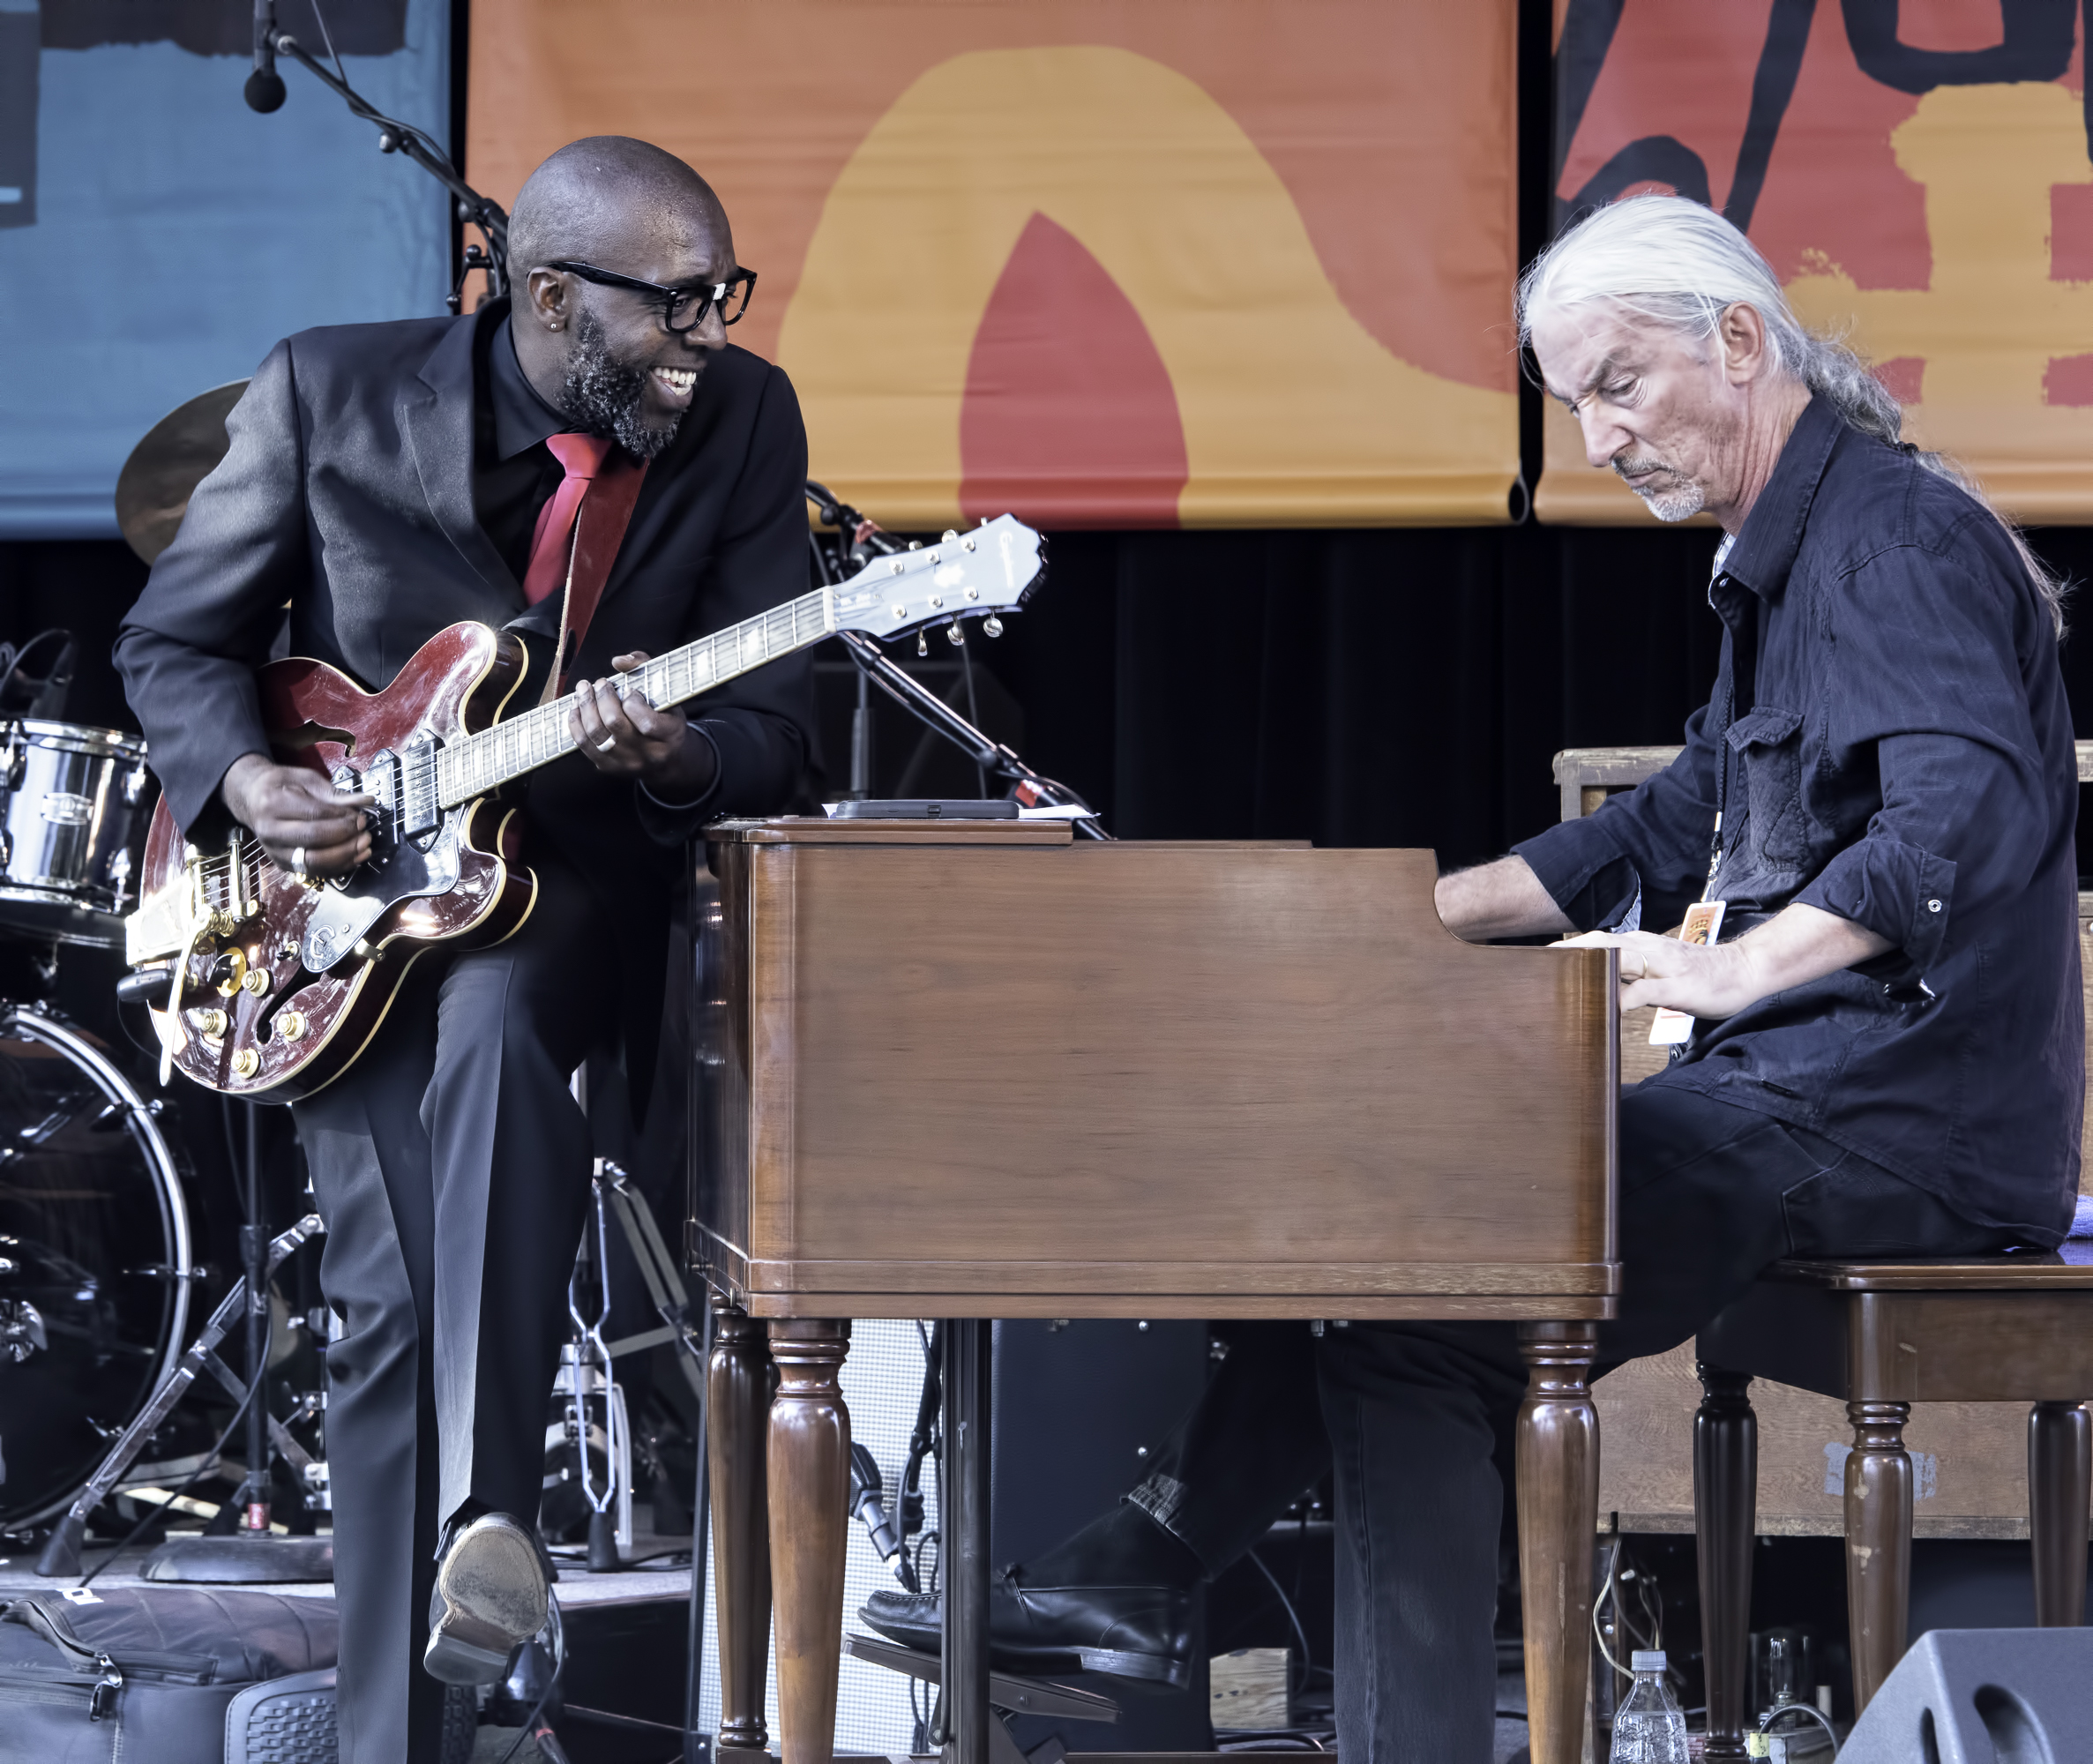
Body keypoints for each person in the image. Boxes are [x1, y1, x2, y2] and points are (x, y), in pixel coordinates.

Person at [866, 193, 2083, 1760]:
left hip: (1896, 1129)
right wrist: (1375, 930)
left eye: (1619, 385)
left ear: (1735, 339)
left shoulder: (1894, 542)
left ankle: (1182, 1592)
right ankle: (1148, 1572)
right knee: (1396, 1235)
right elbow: (1660, 824)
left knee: (1420, 1310)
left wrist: (1736, 975)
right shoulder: (1775, 568)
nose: (1597, 437)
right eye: (1575, 404)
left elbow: (1952, 829)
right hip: (1799, 1107)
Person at [116, 138, 817, 1764]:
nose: (706, 334)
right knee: (378, 1311)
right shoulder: (323, 392)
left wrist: (678, 758)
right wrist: (246, 782)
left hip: (566, 880)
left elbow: (782, 732)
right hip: (333, 919)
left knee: (501, 1037)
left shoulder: (747, 420)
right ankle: (420, 1709)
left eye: (726, 297)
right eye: (676, 304)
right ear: (549, 292)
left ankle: (494, 1521)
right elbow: (177, 637)